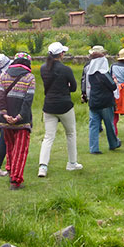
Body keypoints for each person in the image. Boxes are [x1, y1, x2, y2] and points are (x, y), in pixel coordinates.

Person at [38, 42, 82, 178]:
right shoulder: (66, 69)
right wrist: (64, 89)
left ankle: (43, 167)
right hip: (64, 105)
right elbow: (74, 88)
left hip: (49, 105)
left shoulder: (43, 68)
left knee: (48, 137)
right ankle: (72, 163)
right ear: (61, 54)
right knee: (70, 133)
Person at [0, 52, 37, 190]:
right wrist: (19, 117)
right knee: (20, 150)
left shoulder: (4, 76)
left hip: (5, 120)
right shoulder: (30, 78)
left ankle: (10, 171)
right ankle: (15, 181)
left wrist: (5, 114)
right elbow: (28, 101)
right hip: (22, 121)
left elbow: (0, 97)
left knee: (10, 147)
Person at [85, 52, 120, 153]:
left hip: (94, 102)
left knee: (93, 126)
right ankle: (113, 143)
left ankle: (93, 148)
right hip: (105, 103)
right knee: (109, 125)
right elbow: (113, 86)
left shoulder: (91, 74)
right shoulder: (104, 74)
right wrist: (114, 81)